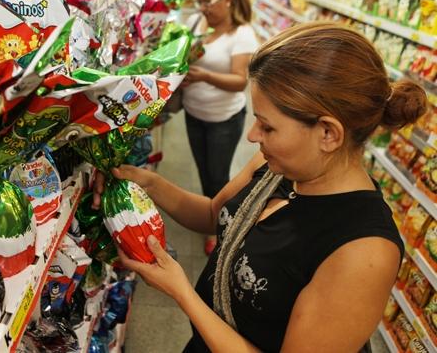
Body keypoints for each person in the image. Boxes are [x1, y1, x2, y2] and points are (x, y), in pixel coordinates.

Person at [93, 22, 428, 352]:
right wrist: (146, 181)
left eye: (267, 126)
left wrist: (182, 291)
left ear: (328, 133)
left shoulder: (364, 252)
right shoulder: (278, 166)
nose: (253, 136)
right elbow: (213, 214)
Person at [181, 0, 258, 256]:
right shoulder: (197, 22)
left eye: (207, 2)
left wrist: (202, 76)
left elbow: (240, 82)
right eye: (198, 2)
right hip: (194, 112)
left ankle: (220, 228)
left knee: (217, 177)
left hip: (223, 119)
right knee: (204, 172)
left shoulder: (242, 34)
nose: (202, 8)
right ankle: (209, 216)